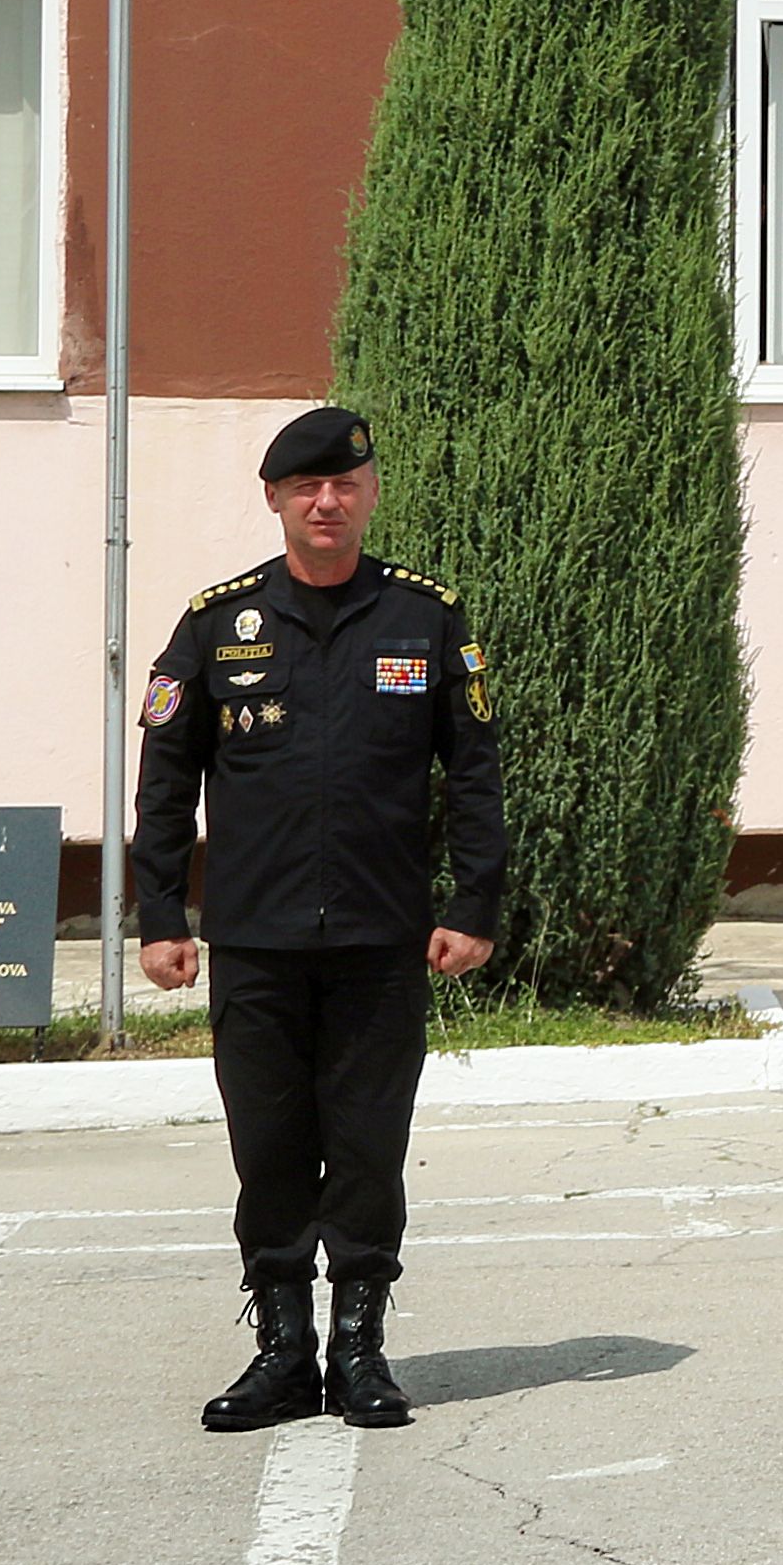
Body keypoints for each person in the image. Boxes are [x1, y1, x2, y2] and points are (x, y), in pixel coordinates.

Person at [128, 405, 504, 1435]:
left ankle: (361, 1349)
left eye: (344, 485)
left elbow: (474, 774)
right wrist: (160, 913)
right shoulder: (218, 623)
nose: (326, 503)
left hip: (382, 939)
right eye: (306, 487)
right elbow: (166, 779)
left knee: (370, 1148)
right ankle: (284, 1351)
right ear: (275, 499)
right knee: (271, 1149)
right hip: (257, 941)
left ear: (371, 493)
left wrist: (473, 904)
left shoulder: (425, 617)